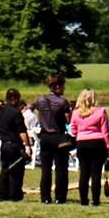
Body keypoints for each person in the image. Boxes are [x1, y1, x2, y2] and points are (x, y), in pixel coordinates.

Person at [32, 75, 73, 204]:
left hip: (44, 136)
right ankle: (60, 196)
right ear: (57, 87)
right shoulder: (62, 102)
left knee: (46, 168)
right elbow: (68, 120)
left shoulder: (40, 100)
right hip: (58, 135)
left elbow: (39, 116)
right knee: (61, 168)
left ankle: (45, 196)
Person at [71, 88, 109, 206]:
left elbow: (73, 130)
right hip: (97, 142)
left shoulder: (76, 113)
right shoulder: (100, 111)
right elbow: (106, 132)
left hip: (82, 143)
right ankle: (95, 199)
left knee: (84, 172)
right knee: (96, 173)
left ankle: (83, 199)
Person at [0, 89, 30, 201]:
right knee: (16, 171)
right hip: (14, 145)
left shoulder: (1, 110)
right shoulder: (16, 113)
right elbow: (22, 131)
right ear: (15, 99)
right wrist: (27, 146)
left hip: (4, 144)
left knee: (5, 170)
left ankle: (1, 194)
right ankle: (14, 194)